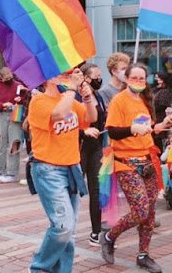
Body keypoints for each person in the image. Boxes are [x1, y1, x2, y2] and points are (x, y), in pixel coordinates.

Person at [101, 63, 172, 273]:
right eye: (135, 78)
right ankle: (109, 236)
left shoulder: (144, 100)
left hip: (148, 161)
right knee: (141, 211)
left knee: (149, 213)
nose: (139, 82)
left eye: (142, 79)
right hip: (126, 163)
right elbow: (113, 132)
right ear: (126, 78)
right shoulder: (118, 101)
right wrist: (132, 129)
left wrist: (162, 125)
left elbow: (148, 129)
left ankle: (143, 255)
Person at [28, 68, 97, 273]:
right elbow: (58, 114)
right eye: (63, 74)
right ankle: (40, 267)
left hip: (72, 167)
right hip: (48, 169)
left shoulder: (71, 100)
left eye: (70, 74)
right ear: (48, 78)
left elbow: (91, 116)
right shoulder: (38, 101)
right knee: (62, 227)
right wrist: (72, 89)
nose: (68, 78)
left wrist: (87, 95)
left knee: (70, 231)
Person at [79, 63, 107, 246]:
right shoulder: (75, 95)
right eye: (97, 75)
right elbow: (70, 122)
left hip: (96, 146)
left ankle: (96, 231)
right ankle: (65, 229)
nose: (99, 78)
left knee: (96, 188)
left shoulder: (99, 95)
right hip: (78, 147)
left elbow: (103, 119)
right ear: (87, 78)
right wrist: (84, 131)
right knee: (73, 189)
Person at [0, 67, 24, 183]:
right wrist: (2, 105)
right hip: (2, 115)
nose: (9, 80)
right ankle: (0, 171)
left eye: (10, 77)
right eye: (6, 78)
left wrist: (20, 99)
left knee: (14, 143)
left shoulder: (18, 85)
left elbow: (24, 98)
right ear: (1, 78)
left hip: (15, 114)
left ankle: (12, 172)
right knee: (0, 142)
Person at [152, 72, 172, 153]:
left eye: (158, 77)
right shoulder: (154, 90)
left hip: (160, 119)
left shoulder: (165, 92)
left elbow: (161, 106)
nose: (156, 79)